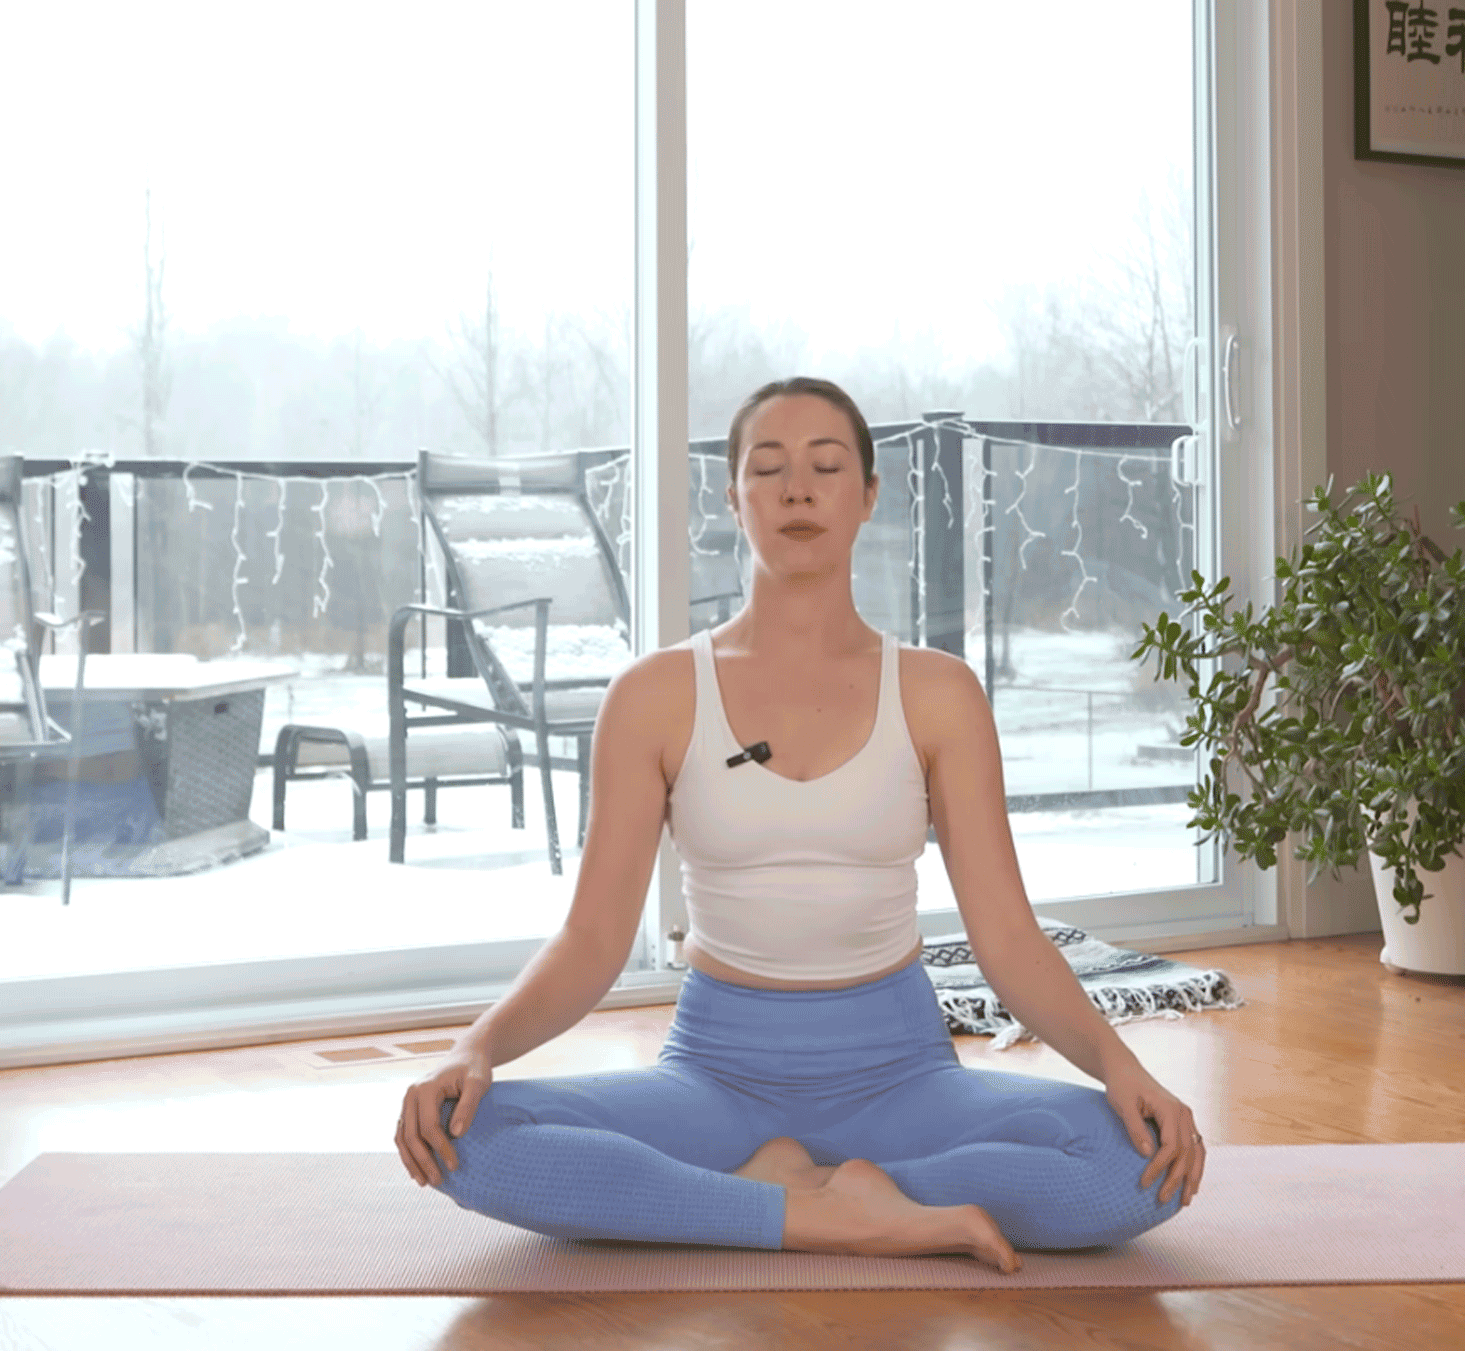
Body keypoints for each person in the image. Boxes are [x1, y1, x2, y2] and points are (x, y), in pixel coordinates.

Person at [394, 377, 1205, 1274]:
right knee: (464, 1137)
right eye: (767, 468)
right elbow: (591, 939)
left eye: (826, 465)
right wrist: (474, 1049)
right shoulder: (653, 696)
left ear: (867, 496)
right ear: (732, 497)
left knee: (1134, 1167)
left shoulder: (939, 693)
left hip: (900, 1075)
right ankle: (836, 1212)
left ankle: (757, 1197)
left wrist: (1119, 1066)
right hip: (713, 1075)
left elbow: (1007, 934)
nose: (797, 489)